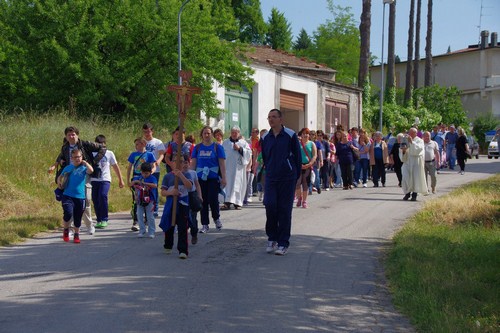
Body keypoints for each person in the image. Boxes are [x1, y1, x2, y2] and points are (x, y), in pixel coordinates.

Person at [48, 126, 106, 236]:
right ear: (66, 136)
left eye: (73, 134)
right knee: (69, 203)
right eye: (69, 134)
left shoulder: (84, 144)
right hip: (69, 175)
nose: (71, 136)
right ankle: (69, 228)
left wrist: (93, 161)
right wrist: (56, 165)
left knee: (86, 201)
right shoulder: (65, 147)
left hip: (83, 174)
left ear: (77, 135)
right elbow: (60, 157)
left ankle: (89, 225)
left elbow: (103, 148)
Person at [260, 109, 301, 255]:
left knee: (284, 210)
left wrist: (298, 177)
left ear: (280, 119)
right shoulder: (265, 137)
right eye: (269, 117)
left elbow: (297, 157)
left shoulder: (290, 135)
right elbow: (265, 157)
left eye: (274, 117)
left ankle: (283, 243)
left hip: (287, 178)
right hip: (271, 177)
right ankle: (272, 237)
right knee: (270, 205)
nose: (271, 119)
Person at [190, 126, 226, 233]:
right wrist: (189, 177)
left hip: (213, 178)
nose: (207, 135)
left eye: (209, 133)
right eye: (205, 133)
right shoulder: (197, 148)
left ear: (212, 135)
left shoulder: (217, 147)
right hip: (200, 178)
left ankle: (216, 218)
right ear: (201, 135)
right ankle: (205, 224)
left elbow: (222, 164)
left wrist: (224, 178)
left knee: (213, 199)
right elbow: (193, 164)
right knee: (202, 201)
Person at [159, 154, 193, 259]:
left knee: (183, 227)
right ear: (172, 163)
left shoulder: (187, 175)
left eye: (182, 161)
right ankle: (168, 244)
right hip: (171, 205)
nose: (179, 163)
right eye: (176, 161)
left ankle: (183, 250)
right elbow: (163, 192)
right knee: (169, 225)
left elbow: (190, 187)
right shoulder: (168, 176)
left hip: (183, 205)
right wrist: (171, 192)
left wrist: (181, 176)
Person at [58, 149, 94, 244]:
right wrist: (59, 183)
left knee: (78, 217)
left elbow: (91, 171)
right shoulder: (68, 167)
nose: (77, 159)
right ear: (72, 158)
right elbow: (60, 177)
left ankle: (76, 235)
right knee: (68, 213)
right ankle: (66, 229)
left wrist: (85, 163)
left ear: (82, 157)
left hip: (80, 197)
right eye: (75, 157)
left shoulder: (84, 168)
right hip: (67, 195)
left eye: (79, 157)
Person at [91, 135, 125, 229]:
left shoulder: (109, 153)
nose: (100, 145)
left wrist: (120, 180)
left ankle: (104, 219)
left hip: (105, 179)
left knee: (103, 196)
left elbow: (115, 167)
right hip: (94, 179)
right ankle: (99, 220)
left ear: (105, 144)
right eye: (98, 144)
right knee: (95, 199)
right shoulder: (92, 153)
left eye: (102, 143)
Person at [127, 137, 157, 231]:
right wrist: (128, 180)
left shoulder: (149, 154)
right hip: (136, 178)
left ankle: (147, 219)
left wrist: (149, 175)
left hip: (146, 179)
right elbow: (129, 168)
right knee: (136, 199)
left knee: (147, 198)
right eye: (135, 144)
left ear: (143, 144)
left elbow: (153, 166)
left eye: (138, 144)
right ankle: (135, 221)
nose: (136, 146)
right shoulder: (133, 155)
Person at [221, 126, 252, 210]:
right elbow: (221, 154)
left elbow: (249, 153)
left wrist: (240, 149)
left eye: (236, 132)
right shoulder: (225, 142)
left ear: (239, 133)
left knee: (238, 185)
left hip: (239, 169)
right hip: (228, 168)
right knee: (228, 184)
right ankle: (227, 203)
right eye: (232, 132)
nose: (234, 134)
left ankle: (237, 203)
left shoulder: (243, 143)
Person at [142, 123, 165, 218]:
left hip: (154, 169)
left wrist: (157, 162)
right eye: (145, 131)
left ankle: (155, 209)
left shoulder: (157, 142)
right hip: (143, 169)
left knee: (154, 189)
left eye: (148, 131)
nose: (147, 133)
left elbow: (162, 154)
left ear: (152, 131)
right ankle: (145, 207)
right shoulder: (142, 142)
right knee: (143, 188)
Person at [400, 128, 428, 201]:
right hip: (407, 161)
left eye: (412, 133)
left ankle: (414, 195)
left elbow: (418, 150)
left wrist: (412, 142)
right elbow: (402, 149)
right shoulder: (406, 139)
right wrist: (403, 151)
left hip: (416, 161)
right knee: (406, 177)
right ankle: (407, 193)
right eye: (410, 133)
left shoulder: (420, 140)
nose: (411, 134)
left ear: (416, 133)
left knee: (415, 179)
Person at [131, 162, 157, 238]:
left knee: (150, 216)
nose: (145, 175)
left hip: (150, 199)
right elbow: (135, 186)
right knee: (139, 215)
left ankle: (151, 231)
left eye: (146, 173)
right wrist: (136, 194)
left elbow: (155, 185)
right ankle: (142, 230)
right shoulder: (139, 177)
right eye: (143, 173)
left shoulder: (152, 178)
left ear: (150, 172)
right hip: (140, 199)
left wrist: (145, 183)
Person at [295, 128, 316, 208]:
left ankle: (304, 201)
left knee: (305, 184)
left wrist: (310, 164)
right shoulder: (297, 144)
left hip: (308, 166)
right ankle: (299, 198)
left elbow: (314, 155)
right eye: (303, 133)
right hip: (298, 166)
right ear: (301, 135)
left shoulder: (311, 144)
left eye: (307, 133)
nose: (305, 135)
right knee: (297, 183)